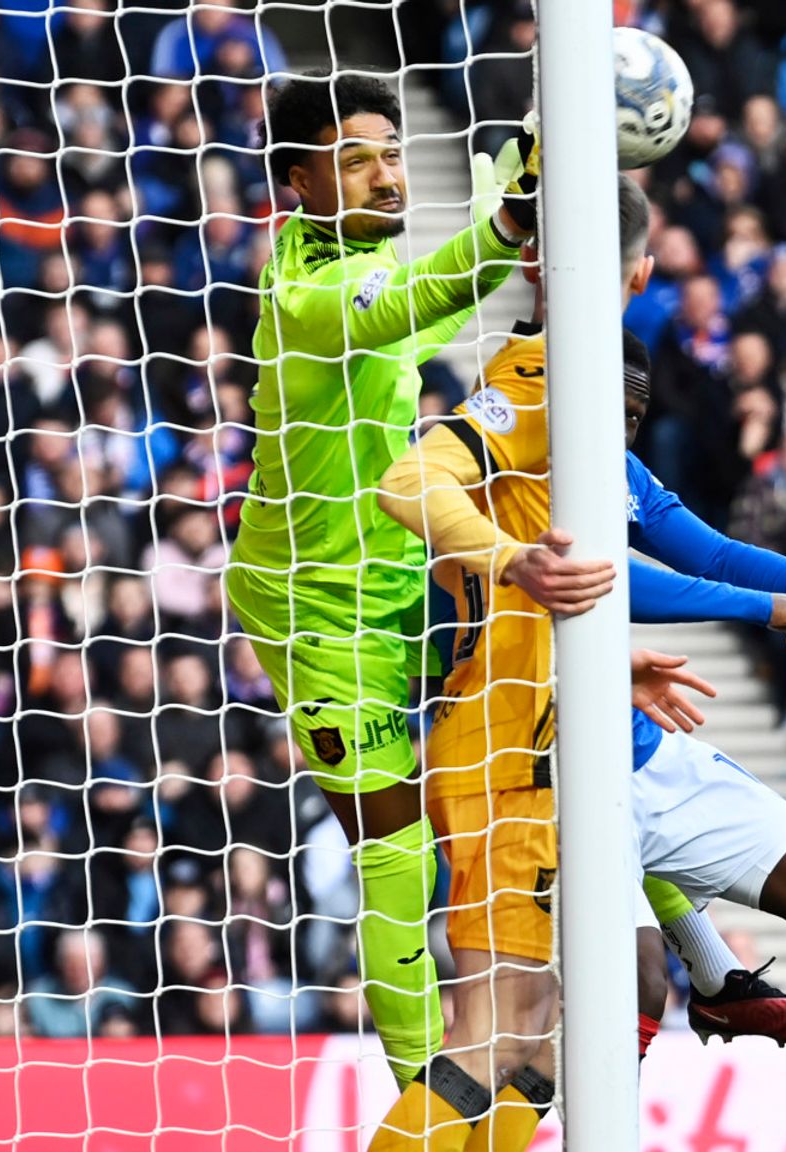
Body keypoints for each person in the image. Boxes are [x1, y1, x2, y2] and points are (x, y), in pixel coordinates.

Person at [370, 176, 786, 1152]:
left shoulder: (607, 453)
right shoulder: (529, 382)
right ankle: (708, 984)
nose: (617, 429)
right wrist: (762, 608)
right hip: (520, 755)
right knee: (542, 1026)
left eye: (633, 414)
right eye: (612, 411)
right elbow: (569, 557)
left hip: (609, 740)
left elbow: (700, 550)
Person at [223, 69, 535, 1085]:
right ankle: (419, 1104)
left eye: (392, 153)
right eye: (353, 158)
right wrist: (502, 230)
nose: (385, 174)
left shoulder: (363, 274)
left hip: (409, 573)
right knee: (395, 847)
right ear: (300, 183)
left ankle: (705, 962)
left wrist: (504, 224)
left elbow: (415, 321)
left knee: (577, 725)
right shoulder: (304, 292)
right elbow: (407, 303)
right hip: (317, 606)